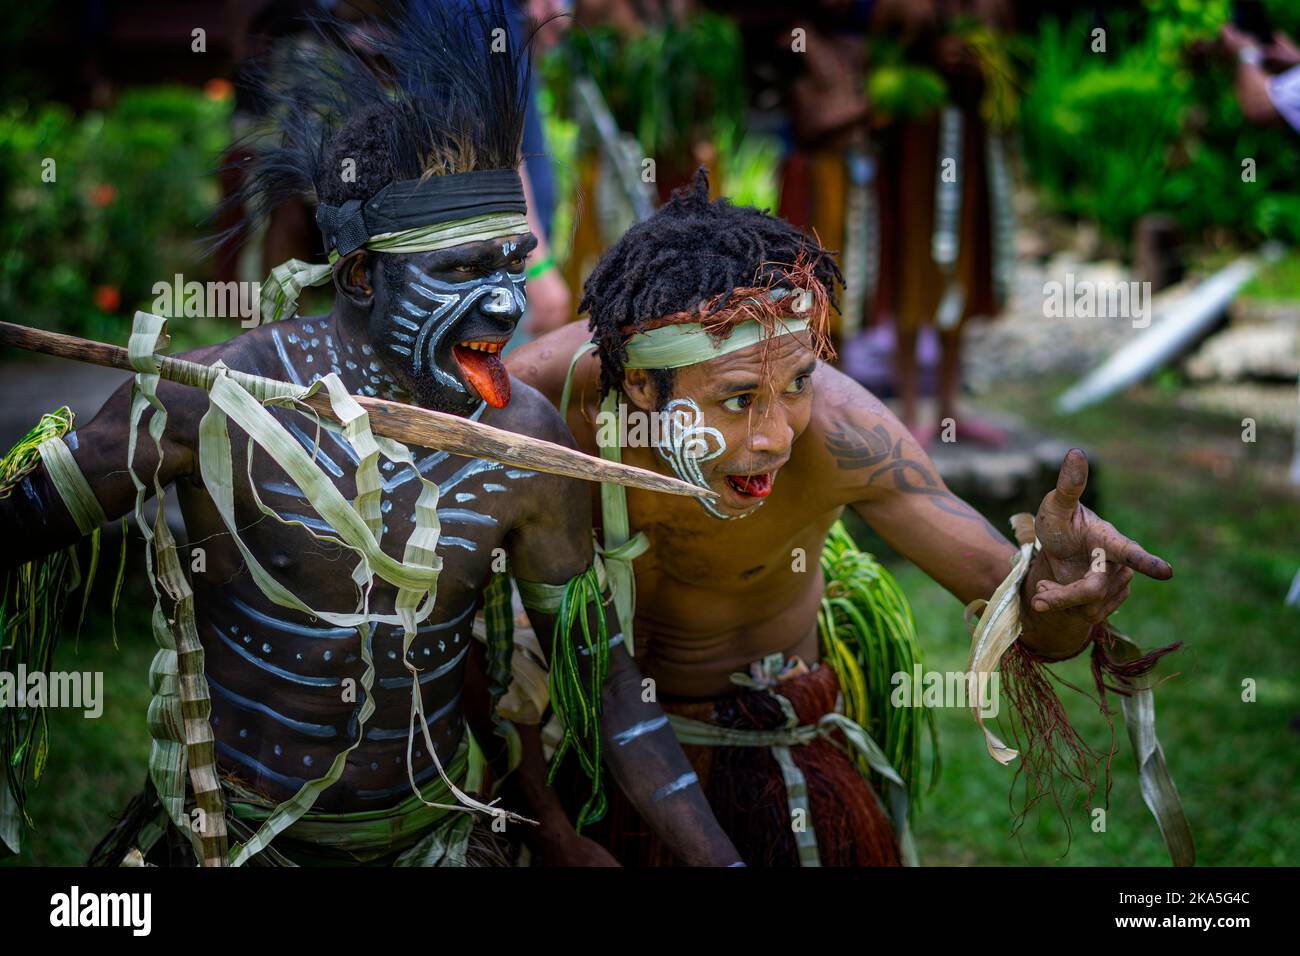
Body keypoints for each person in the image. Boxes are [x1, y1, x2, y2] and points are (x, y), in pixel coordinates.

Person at [0, 2, 740, 868]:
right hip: (231, 846)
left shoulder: (523, 440)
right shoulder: (212, 403)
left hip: (434, 842)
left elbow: (609, 691)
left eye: (511, 262)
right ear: (358, 275)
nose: (503, 305)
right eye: (459, 270)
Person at [505, 172, 1177, 866]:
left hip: (765, 745)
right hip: (576, 743)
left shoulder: (842, 433)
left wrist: (1061, 594)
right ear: (642, 385)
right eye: (738, 398)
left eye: (795, 384)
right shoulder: (538, 406)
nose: (776, 436)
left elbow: (1020, 610)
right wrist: (548, 826)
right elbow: (450, 604)